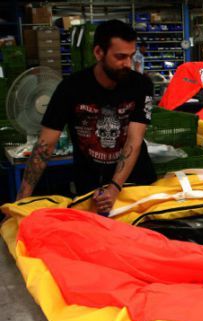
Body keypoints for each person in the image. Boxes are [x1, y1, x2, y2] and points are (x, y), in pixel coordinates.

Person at [16, 19, 157, 214]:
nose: (128, 64)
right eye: (120, 57)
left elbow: (134, 139)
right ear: (98, 52)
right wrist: (19, 202)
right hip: (90, 186)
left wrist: (115, 187)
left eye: (131, 56)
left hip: (135, 184)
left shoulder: (141, 85)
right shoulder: (70, 89)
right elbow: (44, 146)